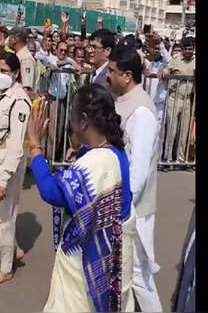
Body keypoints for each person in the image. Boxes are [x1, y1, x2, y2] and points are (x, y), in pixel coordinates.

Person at [27, 84, 137, 312]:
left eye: (74, 120)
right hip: (116, 255)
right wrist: (79, 148)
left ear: (84, 121)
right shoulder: (115, 152)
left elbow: (51, 191)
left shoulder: (96, 162)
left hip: (92, 262)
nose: (72, 125)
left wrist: (36, 146)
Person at [108, 45, 163, 312]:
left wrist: (122, 209)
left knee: (140, 275)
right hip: (124, 204)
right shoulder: (126, 102)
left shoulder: (141, 112)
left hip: (135, 209)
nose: (109, 76)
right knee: (125, 272)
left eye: (112, 71)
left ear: (127, 75)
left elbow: (138, 172)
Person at [0, 52, 32, 286]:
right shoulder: (0, 95)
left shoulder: (20, 101)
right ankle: (10, 247)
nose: (0, 75)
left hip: (7, 164)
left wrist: (2, 177)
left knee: (4, 217)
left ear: (16, 73)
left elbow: (16, 144)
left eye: (5, 71)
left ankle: (5, 269)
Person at [160, 36, 195, 162]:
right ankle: (168, 158)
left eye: (191, 49)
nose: (189, 51)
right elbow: (166, 69)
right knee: (171, 130)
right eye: (187, 49)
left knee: (184, 131)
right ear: (183, 49)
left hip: (187, 100)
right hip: (174, 99)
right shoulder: (176, 59)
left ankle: (181, 159)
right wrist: (164, 72)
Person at [9, 27, 37, 100]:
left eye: (9, 38)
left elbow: (26, 89)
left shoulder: (26, 59)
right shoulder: (18, 56)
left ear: (14, 39)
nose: (8, 41)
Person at [87, 29, 115, 93]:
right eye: (89, 47)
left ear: (107, 51)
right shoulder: (94, 72)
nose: (89, 51)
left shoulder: (110, 77)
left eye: (94, 47)